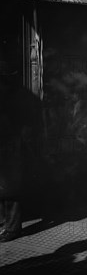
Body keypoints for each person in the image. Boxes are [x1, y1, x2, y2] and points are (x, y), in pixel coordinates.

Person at [0, 60, 42, 242]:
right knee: (6, 189)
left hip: (11, 145)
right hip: (8, 144)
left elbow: (24, 123)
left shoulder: (15, 96)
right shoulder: (14, 94)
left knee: (11, 190)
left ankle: (11, 228)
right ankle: (6, 225)